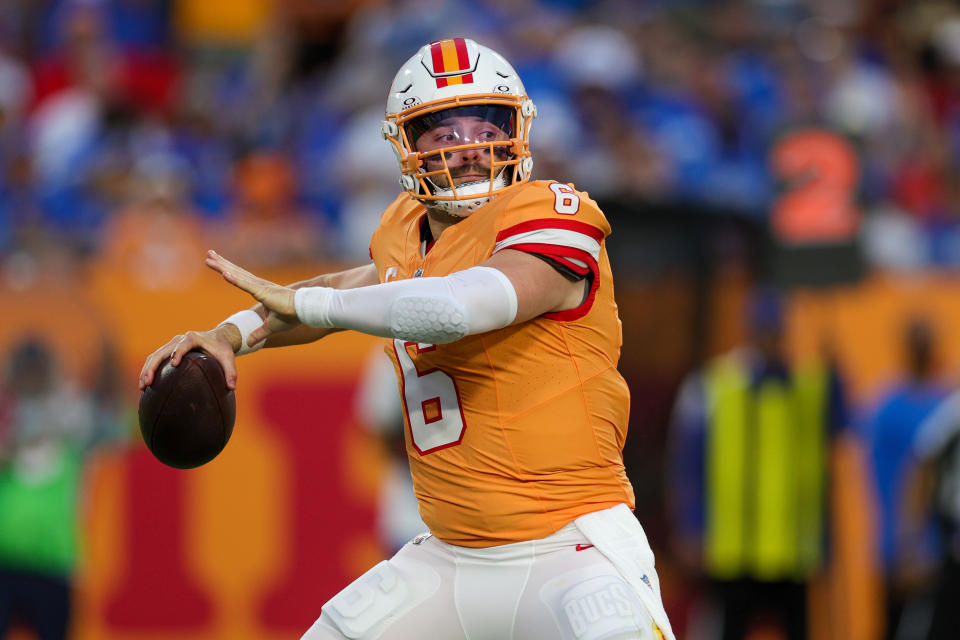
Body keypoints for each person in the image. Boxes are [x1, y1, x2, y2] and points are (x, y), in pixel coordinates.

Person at [138, 38, 674, 640]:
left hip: (574, 550)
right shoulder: (404, 232)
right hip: (450, 556)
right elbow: (344, 290)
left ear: (518, 127)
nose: (470, 149)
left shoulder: (556, 216)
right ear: (405, 145)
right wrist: (227, 335)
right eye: (444, 135)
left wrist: (320, 303)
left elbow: (453, 306)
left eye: (485, 125)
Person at [668, 290, 847, 640]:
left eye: (777, 331)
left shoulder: (807, 384)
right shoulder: (713, 384)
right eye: (764, 331)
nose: (771, 340)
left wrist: (834, 366)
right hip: (734, 547)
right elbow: (686, 461)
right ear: (748, 332)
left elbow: (837, 425)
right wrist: (691, 526)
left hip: (791, 547)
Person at [862, 317, 947, 639]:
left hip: (938, 551)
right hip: (900, 551)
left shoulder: (943, 402)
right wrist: (906, 546)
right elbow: (885, 482)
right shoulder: (887, 407)